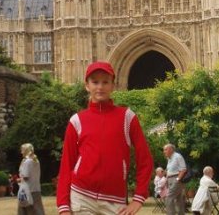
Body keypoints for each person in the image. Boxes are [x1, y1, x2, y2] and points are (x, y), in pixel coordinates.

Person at [56, 61, 153, 214]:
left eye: (105, 82)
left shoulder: (127, 117)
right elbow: (67, 165)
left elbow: (145, 159)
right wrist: (63, 206)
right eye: (95, 82)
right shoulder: (76, 120)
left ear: (113, 85)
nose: (100, 87)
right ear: (87, 85)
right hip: (81, 197)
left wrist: (139, 197)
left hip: (115, 201)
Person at [18, 143, 45, 215]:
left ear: (26, 150)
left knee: (26, 210)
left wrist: (19, 180)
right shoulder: (36, 160)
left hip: (27, 190)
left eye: (22, 150)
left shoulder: (27, 162)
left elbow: (25, 176)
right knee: (38, 209)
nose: (21, 152)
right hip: (36, 188)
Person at [163, 143, 187, 215]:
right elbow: (170, 170)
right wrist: (166, 176)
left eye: (165, 149)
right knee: (179, 200)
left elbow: (183, 169)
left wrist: (177, 180)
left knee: (168, 198)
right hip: (171, 179)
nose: (164, 151)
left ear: (171, 149)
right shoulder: (169, 158)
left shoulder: (178, 156)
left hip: (176, 179)